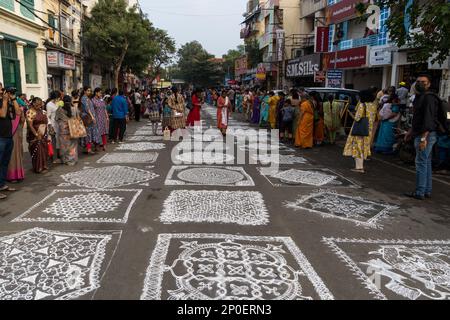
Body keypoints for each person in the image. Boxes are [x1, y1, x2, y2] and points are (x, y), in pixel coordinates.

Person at [404, 74, 442, 200]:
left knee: (421, 162)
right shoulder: (420, 97)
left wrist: (423, 138)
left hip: (425, 135)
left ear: (429, 84)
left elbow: (428, 120)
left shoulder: (429, 98)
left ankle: (420, 191)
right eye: (418, 81)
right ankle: (426, 190)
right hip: (422, 133)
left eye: (424, 82)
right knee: (426, 162)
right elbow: (418, 118)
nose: (420, 84)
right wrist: (410, 131)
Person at [343, 89, 378, 173]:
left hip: (360, 129)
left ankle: (359, 167)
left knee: (358, 147)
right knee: (363, 147)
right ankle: (360, 167)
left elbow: (357, 118)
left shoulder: (362, 105)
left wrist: (350, 113)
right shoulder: (373, 106)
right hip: (368, 129)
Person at [0, 87, 21, 199]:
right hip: (0, 138)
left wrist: (13, 99)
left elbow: (18, 112)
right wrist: (4, 100)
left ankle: (2, 185)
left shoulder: (8, 102)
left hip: (8, 137)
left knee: (4, 163)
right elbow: (2, 114)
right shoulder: (2, 102)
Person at [26, 97, 49, 174]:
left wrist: (47, 133)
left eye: (40, 104)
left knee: (44, 150)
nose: (39, 106)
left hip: (43, 134)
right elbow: (30, 125)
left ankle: (44, 165)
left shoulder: (43, 111)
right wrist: (36, 134)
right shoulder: (30, 112)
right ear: (33, 103)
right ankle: (38, 167)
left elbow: (46, 123)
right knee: (37, 151)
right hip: (34, 134)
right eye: (37, 104)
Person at [6, 94, 25, 183]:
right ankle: (11, 176)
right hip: (8, 135)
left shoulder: (18, 111)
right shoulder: (5, 110)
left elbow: (22, 120)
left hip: (17, 135)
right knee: (11, 155)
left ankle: (18, 174)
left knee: (17, 154)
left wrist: (21, 112)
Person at [56, 95, 78, 166]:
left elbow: (56, 119)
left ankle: (65, 160)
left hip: (63, 131)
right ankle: (72, 160)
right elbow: (77, 117)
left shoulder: (59, 109)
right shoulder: (74, 109)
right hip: (73, 130)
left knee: (64, 146)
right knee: (73, 145)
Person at [80, 86, 100, 154]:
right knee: (88, 133)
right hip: (88, 118)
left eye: (90, 91)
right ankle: (89, 149)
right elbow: (87, 109)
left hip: (90, 118)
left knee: (91, 133)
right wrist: (92, 117)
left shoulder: (87, 98)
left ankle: (90, 148)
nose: (89, 92)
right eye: (88, 90)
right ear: (84, 91)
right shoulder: (84, 98)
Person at [46, 90, 61, 163]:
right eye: (58, 97)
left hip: (59, 124)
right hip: (52, 125)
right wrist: (50, 126)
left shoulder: (58, 103)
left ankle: (58, 156)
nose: (59, 99)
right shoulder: (49, 104)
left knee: (58, 141)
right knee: (52, 141)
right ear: (54, 97)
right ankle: (53, 158)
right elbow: (48, 116)